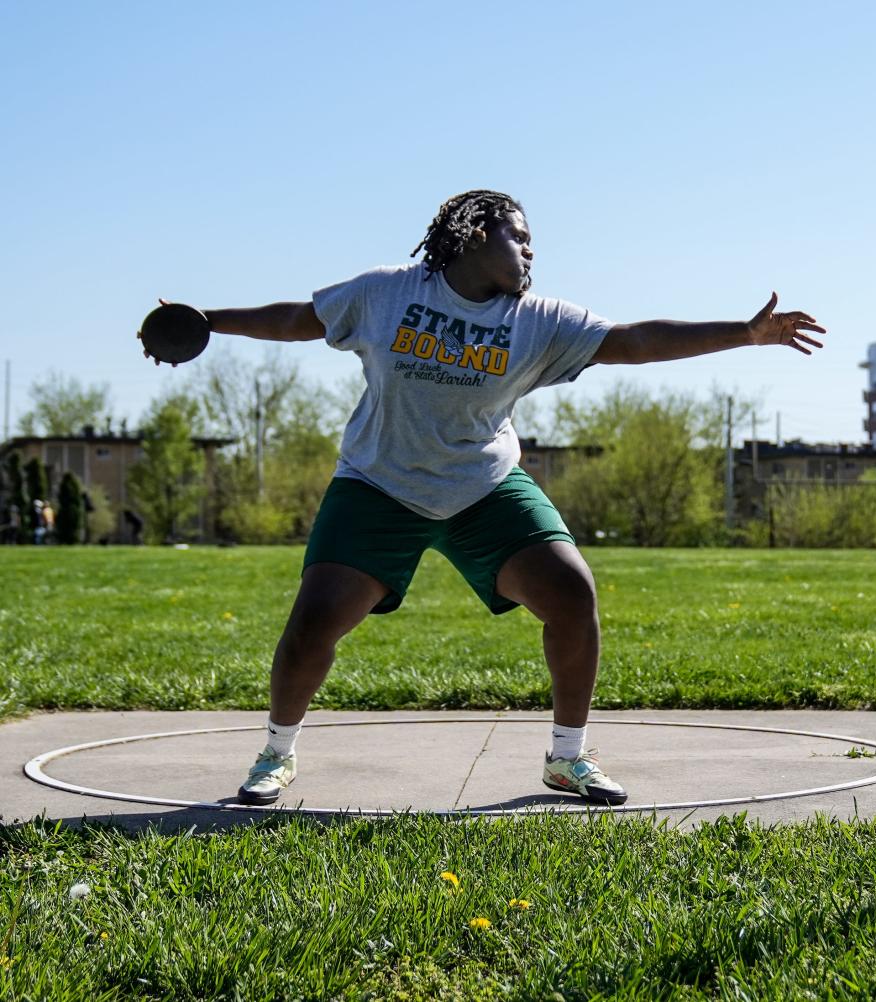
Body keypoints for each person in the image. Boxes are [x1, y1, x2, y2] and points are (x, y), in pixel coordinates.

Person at [169, 189, 825, 806]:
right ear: (476, 235)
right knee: (314, 623)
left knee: (572, 593)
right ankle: (275, 754)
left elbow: (635, 340)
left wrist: (744, 332)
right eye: (522, 239)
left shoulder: (538, 321)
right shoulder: (386, 293)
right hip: (378, 483)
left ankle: (568, 758)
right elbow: (298, 319)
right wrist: (209, 320)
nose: (532, 254)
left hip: (482, 486)